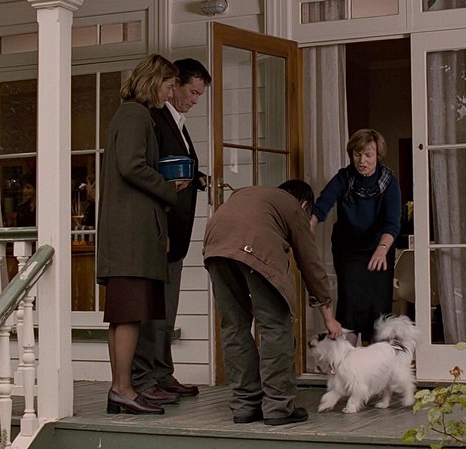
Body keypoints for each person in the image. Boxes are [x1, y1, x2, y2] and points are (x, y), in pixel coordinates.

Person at [204, 180, 343, 426]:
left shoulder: (253, 195)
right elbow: (310, 264)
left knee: (233, 326)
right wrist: (329, 317)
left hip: (215, 247)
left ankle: (245, 405)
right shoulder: (293, 207)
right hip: (254, 246)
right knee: (275, 326)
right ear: (304, 205)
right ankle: (278, 407)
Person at [97, 54, 188, 415]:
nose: (170, 93)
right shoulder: (135, 115)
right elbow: (131, 165)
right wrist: (168, 187)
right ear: (154, 81)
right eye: (169, 85)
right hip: (130, 237)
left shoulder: (131, 115)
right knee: (129, 314)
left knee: (126, 314)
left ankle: (122, 389)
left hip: (129, 235)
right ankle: (122, 388)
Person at [132, 58, 212, 405]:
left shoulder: (178, 123)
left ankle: (163, 373)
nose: (195, 100)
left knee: (168, 308)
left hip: (176, 234)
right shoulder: (152, 118)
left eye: (200, 94)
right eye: (192, 92)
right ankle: (145, 378)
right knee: (152, 309)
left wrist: (198, 178)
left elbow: (175, 169)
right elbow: (147, 171)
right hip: (158, 230)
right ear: (173, 84)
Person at [310, 129, 401, 347]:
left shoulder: (389, 182)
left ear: (378, 155)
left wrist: (382, 249)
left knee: (378, 309)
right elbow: (324, 202)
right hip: (348, 250)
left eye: (368, 155)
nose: (362, 161)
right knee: (350, 305)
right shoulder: (344, 177)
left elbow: (392, 223)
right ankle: (346, 358)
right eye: (357, 154)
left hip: (379, 250)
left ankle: (376, 359)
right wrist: (310, 223)